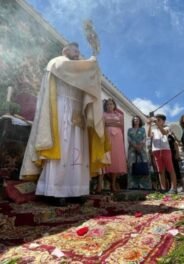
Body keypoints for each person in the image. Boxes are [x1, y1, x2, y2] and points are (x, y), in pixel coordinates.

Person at [20, 42, 105, 206]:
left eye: (78, 50)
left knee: (78, 149)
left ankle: (76, 189)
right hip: (61, 107)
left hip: (77, 109)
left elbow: (87, 80)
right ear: (65, 50)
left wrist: (92, 67)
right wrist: (92, 61)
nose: (77, 53)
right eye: (74, 50)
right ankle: (55, 191)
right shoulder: (57, 62)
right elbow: (79, 70)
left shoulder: (76, 68)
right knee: (63, 147)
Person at [147, 114, 178, 194]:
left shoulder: (167, 128)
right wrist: (149, 125)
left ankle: (174, 188)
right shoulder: (153, 130)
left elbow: (164, 133)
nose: (157, 121)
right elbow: (149, 135)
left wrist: (157, 124)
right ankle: (163, 188)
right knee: (160, 170)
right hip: (156, 150)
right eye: (156, 119)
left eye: (159, 120)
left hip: (165, 150)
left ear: (163, 121)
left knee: (170, 169)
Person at [103, 98, 127, 192]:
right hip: (107, 137)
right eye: (108, 104)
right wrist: (114, 123)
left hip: (118, 139)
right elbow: (104, 123)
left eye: (111, 104)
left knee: (117, 160)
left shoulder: (119, 114)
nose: (110, 105)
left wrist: (109, 123)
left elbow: (121, 124)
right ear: (105, 106)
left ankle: (113, 184)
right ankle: (107, 183)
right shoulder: (103, 114)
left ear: (114, 105)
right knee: (108, 158)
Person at [127, 115, 151, 190]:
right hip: (132, 150)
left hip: (142, 150)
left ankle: (144, 185)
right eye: (134, 119)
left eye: (137, 119)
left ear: (140, 121)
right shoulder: (129, 130)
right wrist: (135, 146)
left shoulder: (143, 129)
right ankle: (133, 185)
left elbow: (144, 138)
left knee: (143, 165)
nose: (136, 120)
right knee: (132, 166)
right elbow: (129, 139)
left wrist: (140, 146)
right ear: (133, 121)